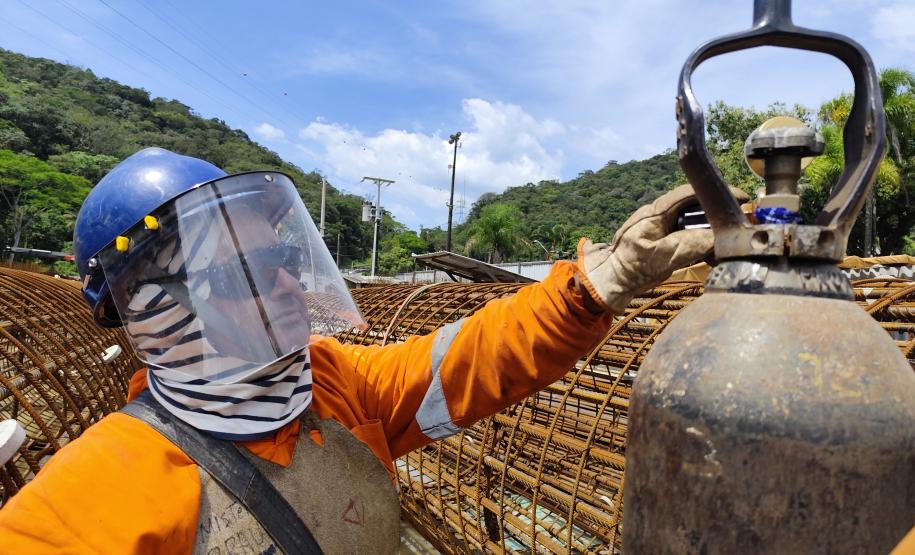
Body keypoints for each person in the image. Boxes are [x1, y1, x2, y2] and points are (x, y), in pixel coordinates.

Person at [0, 147, 744, 554]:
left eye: (281, 260)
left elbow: (470, 357)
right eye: (240, 274)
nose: (285, 284)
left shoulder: (331, 385)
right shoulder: (93, 498)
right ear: (152, 309)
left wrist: (602, 281)